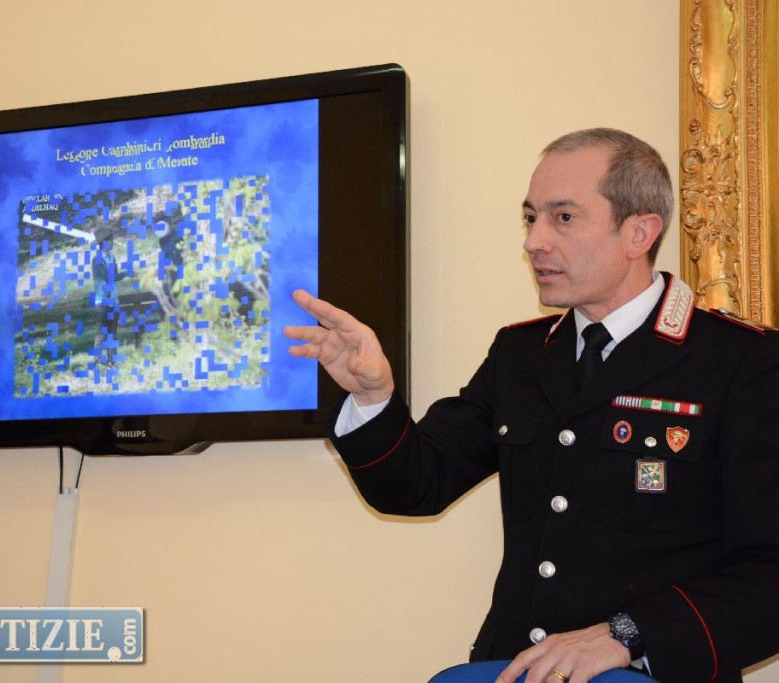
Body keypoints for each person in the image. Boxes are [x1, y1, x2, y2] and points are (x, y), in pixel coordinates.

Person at [284, 128, 779, 683]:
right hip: (512, 668)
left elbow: (770, 572)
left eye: (563, 217)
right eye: (530, 218)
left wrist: (628, 635)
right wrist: (372, 397)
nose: (534, 241)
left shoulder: (743, 362)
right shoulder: (520, 353)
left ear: (638, 232)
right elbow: (417, 485)